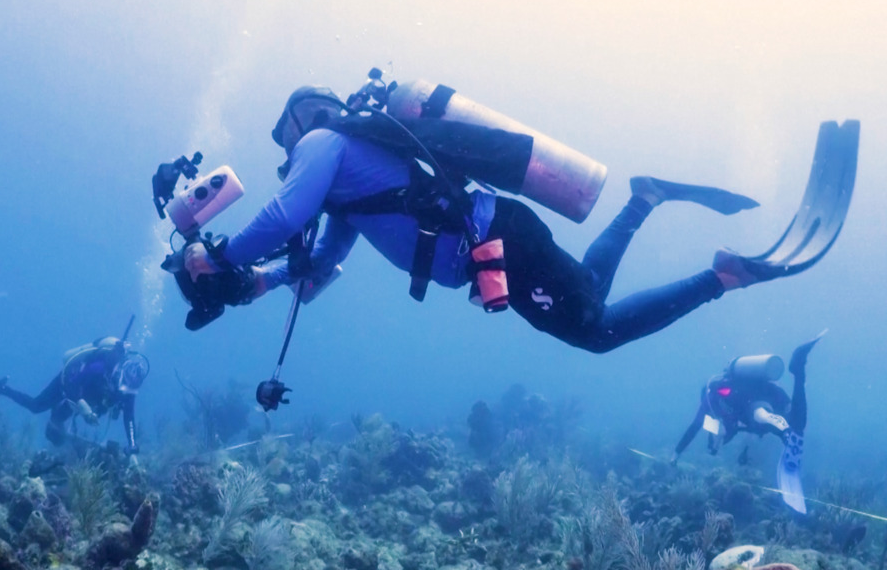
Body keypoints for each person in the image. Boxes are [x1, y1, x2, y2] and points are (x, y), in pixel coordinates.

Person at [182, 85, 794, 354]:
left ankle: (722, 276)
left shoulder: (324, 143)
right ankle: (645, 198)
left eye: (282, 137)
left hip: (499, 240)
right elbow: (324, 257)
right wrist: (263, 282)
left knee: (596, 331)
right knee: (589, 297)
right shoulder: (343, 182)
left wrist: (222, 256)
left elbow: (283, 214)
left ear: (300, 120)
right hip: (495, 248)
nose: (284, 153)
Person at [0, 337, 148, 456]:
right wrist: (84, 408)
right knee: (36, 406)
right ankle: (0, 388)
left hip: (87, 401)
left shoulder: (129, 387)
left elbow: (128, 415)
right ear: (120, 373)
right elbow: (73, 383)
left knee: (58, 433)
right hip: (69, 383)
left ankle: (60, 436)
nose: (125, 393)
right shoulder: (100, 368)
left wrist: (132, 444)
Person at [671, 333, 824, 464]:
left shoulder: (710, 400)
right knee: (798, 424)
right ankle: (798, 368)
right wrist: (741, 452)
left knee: (759, 414)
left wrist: (676, 453)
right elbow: (740, 432)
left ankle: (783, 430)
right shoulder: (726, 409)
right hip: (773, 395)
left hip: (758, 404)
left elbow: (694, 427)